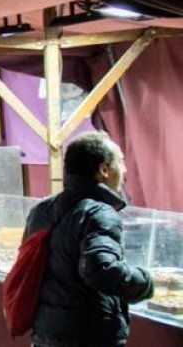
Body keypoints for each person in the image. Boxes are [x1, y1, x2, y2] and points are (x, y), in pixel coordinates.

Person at [23, 131, 153, 347]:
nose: (125, 170)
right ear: (104, 170)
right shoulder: (99, 213)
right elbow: (100, 270)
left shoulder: (41, 210)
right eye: (121, 162)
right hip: (87, 335)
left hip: (45, 332)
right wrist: (145, 281)